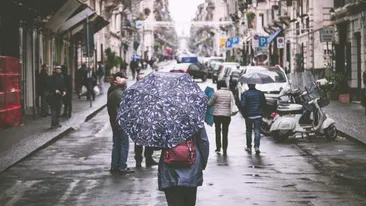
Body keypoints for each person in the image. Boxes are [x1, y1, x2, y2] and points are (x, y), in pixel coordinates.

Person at [158, 128, 209, 206]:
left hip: (169, 169)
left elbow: (155, 145)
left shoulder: (163, 120)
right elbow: (204, 142)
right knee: (189, 201)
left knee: (174, 201)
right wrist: (202, 164)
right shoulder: (195, 118)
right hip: (192, 168)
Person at [107, 72, 134, 174]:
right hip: (121, 123)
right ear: (124, 85)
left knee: (116, 144)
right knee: (124, 145)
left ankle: (114, 166)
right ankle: (122, 166)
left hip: (114, 122)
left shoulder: (112, 92)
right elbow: (126, 109)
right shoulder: (121, 94)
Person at [207, 80, 234, 156]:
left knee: (218, 131)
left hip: (217, 115)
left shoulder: (216, 93)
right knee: (225, 132)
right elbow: (233, 103)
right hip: (226, 115)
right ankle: (225, 148)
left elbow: (209, 104)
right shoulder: (230, 93)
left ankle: (218, 147)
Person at [241, 84, 266, 154]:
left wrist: (244, 113)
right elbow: (264, 103)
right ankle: (257, 147)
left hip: (249, 115)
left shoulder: (245, 94)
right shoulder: (260, 93)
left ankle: (249, 147)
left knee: (248, 130)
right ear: (255, 85)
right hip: (258, 115)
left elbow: (243, 105)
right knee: (257, 130)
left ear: (248, 85)